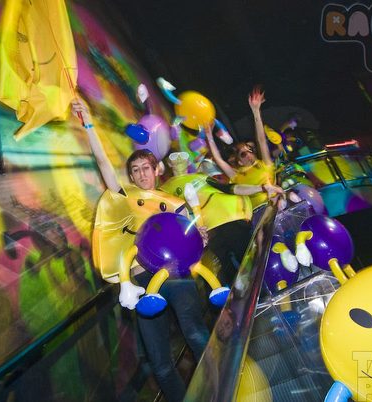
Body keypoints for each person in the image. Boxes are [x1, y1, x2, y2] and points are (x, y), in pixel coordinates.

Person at [73, 98, 209, 402]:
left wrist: (201, 236)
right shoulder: (126, 196)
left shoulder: (176, 204)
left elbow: (195, 237)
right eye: (135, 170)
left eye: (145, 168)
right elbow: (103, 163)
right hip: (141, 279)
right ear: (131, 176)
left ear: (156, 170)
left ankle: (224, 386)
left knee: (195, 333)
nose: (141, 174)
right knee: (160, 363)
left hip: (175, 275)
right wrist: (88, 123)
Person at [162, 151, 284, 285]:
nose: (179, 160)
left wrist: (263, 188)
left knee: (252, 259)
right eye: (174, 157)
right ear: (169, 164)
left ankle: (270, 286)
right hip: (205, 233)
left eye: (183, 156)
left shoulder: (200, 177)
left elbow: (230, 188)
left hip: (230, 219)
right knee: (224, 272)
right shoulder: (165, 189)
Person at [204, 87, 277, 227]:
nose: (249, 153)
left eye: (250, 149)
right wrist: (209, 136)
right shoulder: (236, 176)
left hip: (277, 205)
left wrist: (256, 110)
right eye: (243, 153)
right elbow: (218, 159)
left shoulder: (265, 163)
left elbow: (261, 140)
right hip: (259, 216)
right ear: (239, 161)